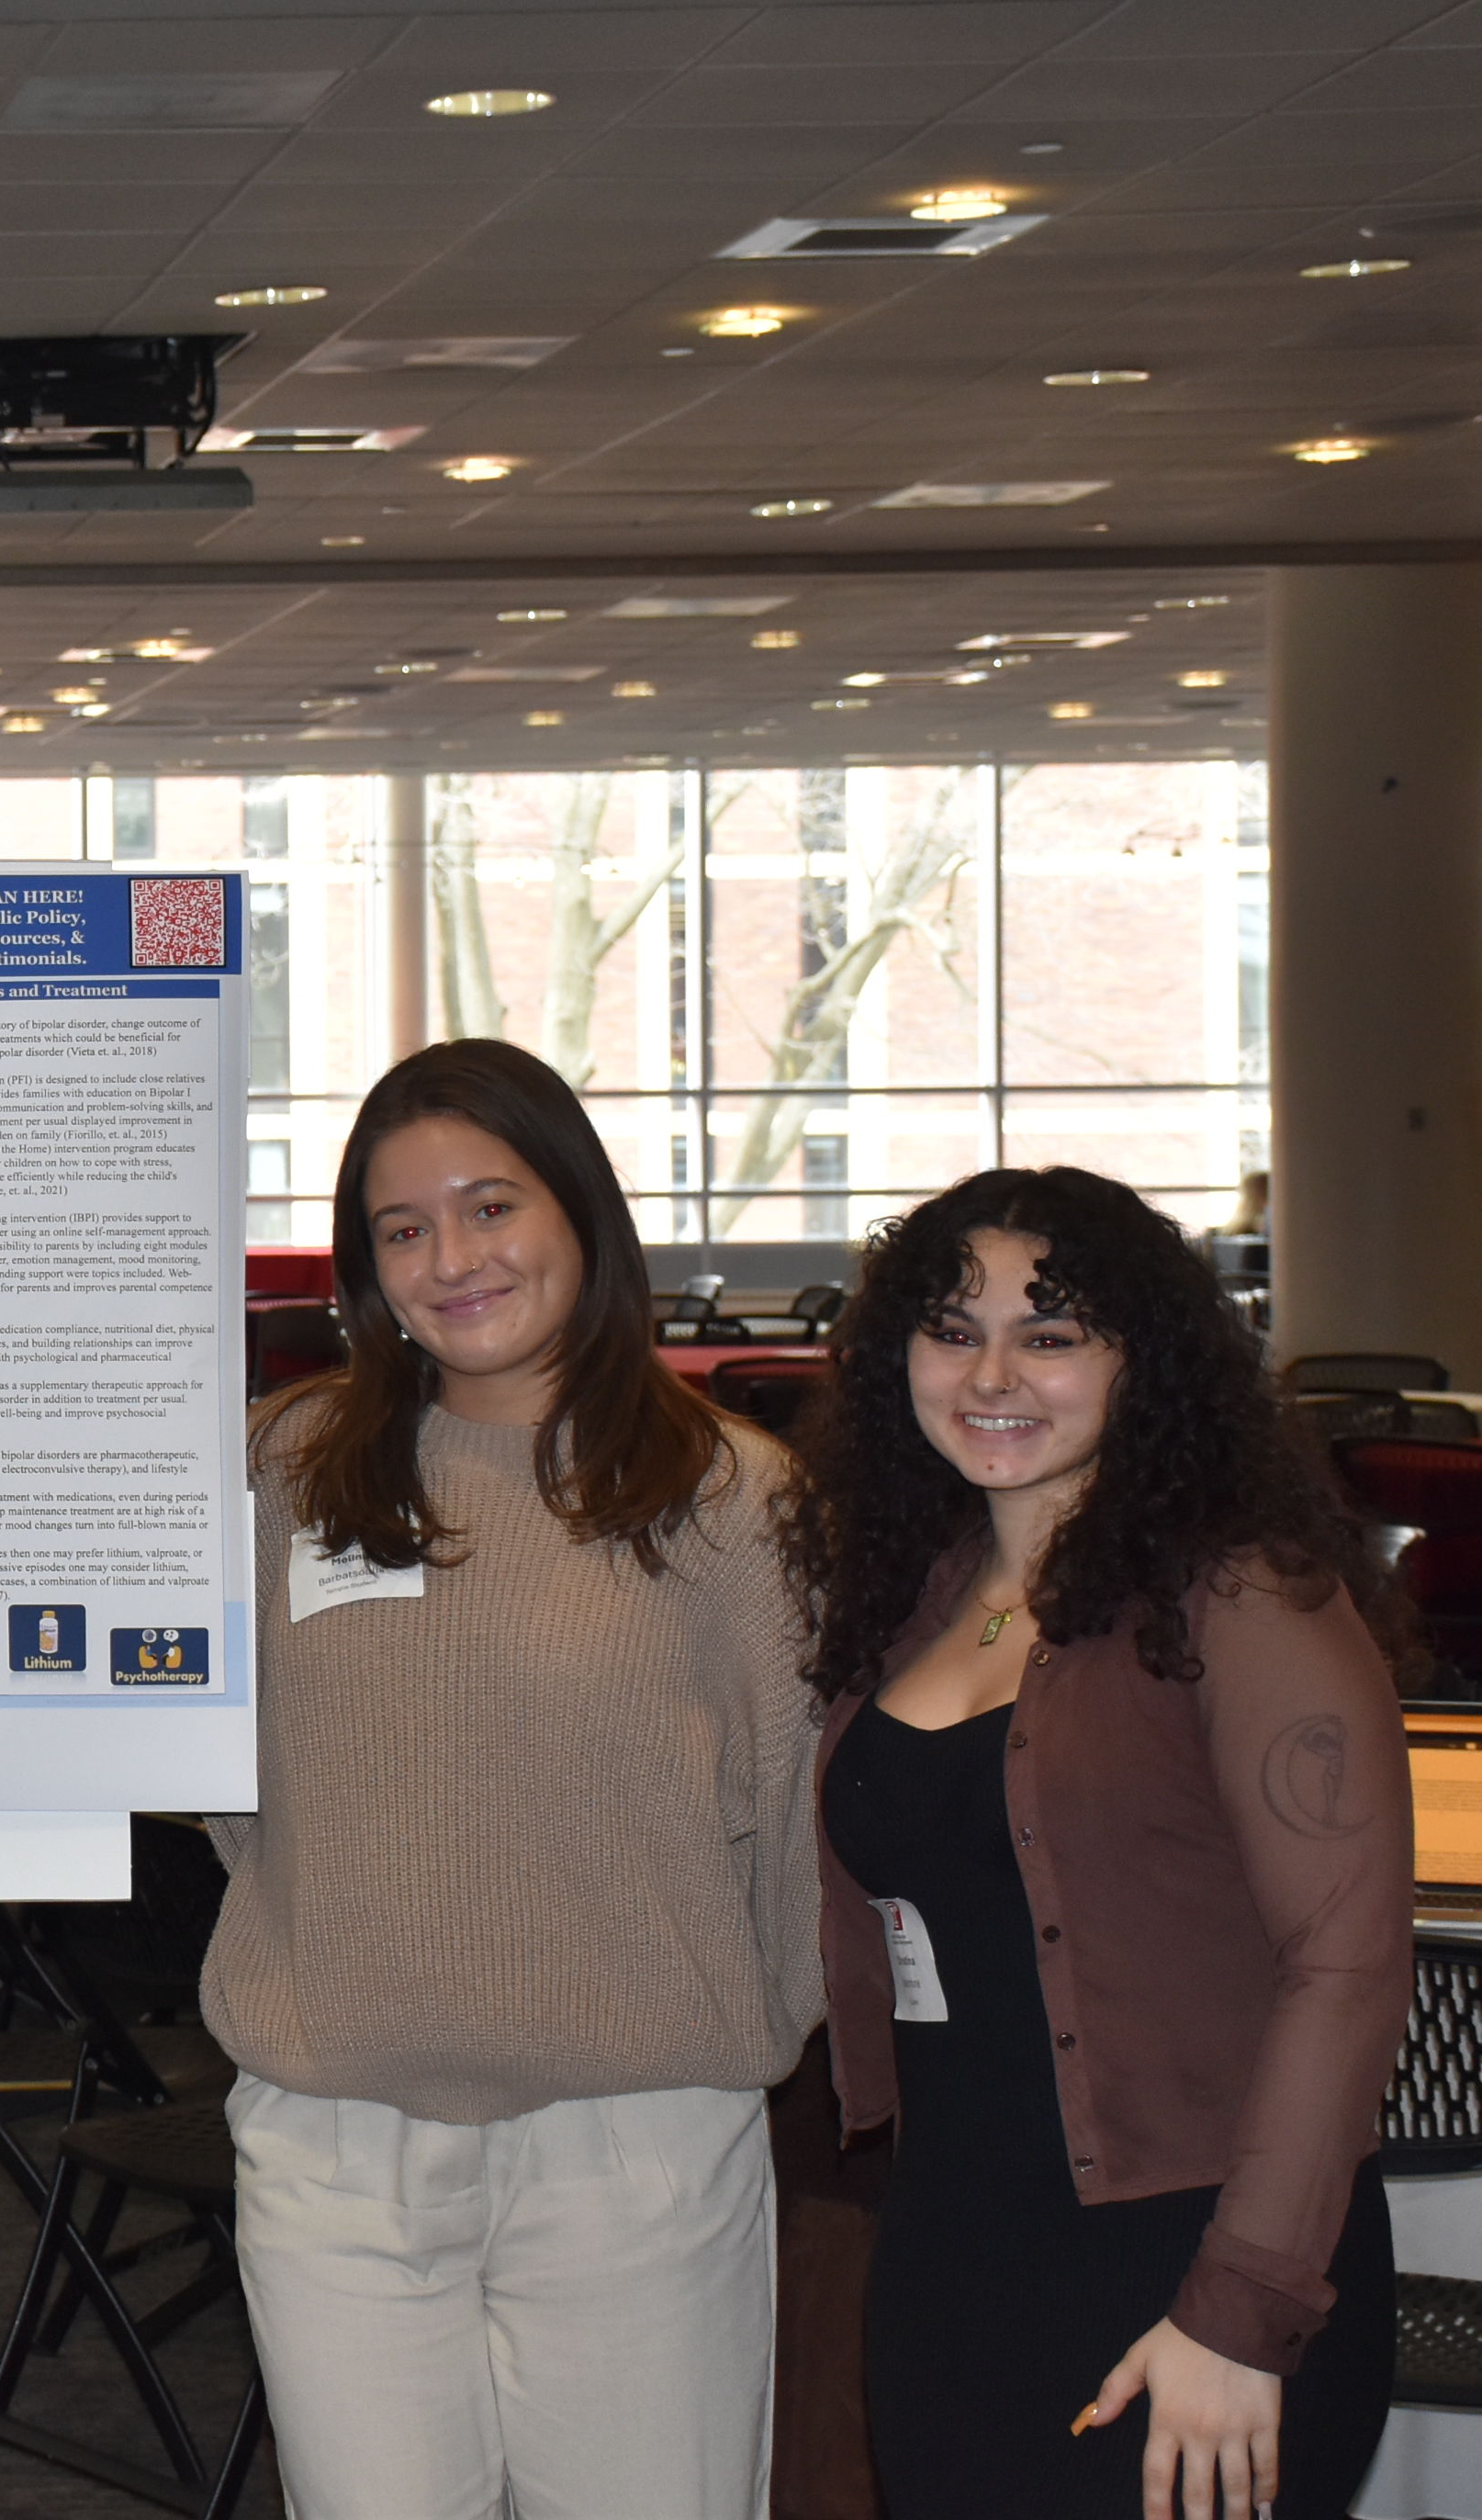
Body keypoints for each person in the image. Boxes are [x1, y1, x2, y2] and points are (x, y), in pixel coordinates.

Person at [208, 1038, 822, 2517]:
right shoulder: (285, 1470)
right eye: (402, 1229)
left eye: (491, 1207)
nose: (451, 1259)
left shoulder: (730, 1496)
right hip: (337, 2144)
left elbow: (796, 1822)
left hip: (639, 2146)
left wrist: (742, 2029)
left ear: (580, 1219)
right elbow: (227, 1783)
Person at [787, 1167, 1408, 2520]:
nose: (992, 1372)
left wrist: (1241, 2313)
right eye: (953, 1330)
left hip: (1194, 2268)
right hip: (954, 2258)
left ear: (1146, 1360)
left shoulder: (1240, 1591)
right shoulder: (924, 1592)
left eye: (1051, 1335)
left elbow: (1349, 1967)